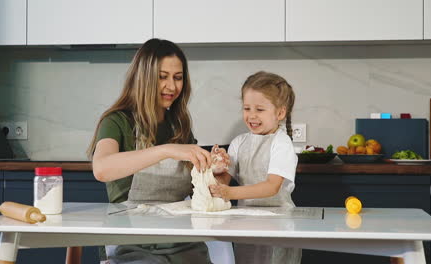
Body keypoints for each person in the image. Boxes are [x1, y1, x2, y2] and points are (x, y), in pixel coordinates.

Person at [84, 38, 215, 264]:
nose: (172, 87)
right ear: (144, 77)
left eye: (178, 77)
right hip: (131, 243)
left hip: (181, 242)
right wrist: (165, 150)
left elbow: (198, 193)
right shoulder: (117, 121)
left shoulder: (179, 125)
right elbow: (102, 169)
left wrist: (215, 171)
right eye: (162, 77)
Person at [209, 71, 302, 264]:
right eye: (246, 108)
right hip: (247, 224)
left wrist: (229, 193)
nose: (252, 115)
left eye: (259, 109)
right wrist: (218, 169)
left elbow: (271, 187)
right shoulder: (238, 143)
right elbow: (223, 182)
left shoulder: (281, 143)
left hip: (279, 224)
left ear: (280, 112)